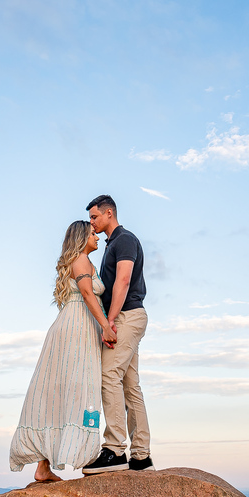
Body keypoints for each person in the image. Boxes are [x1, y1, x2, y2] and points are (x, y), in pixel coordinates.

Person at [9, 220, 116, 482]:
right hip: (76, 329)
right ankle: (85, 458)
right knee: (81, 388)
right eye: (92, 233)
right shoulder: (81, 260)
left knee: (58, 392)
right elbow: (89, 295)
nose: (97, 237)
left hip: (75, 327)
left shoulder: (83, 261)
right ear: (81, 237)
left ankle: (44, 467)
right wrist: (106, 327)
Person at [82, 194, 153, 474]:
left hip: (126, 316)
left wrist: (109, 322)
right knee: (130, 386)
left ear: (109, 213)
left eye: (94, 217)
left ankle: (114, 450)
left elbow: (123, 279)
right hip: (130, 316)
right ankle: (141, 456)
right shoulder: (114, 243)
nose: (92, 223)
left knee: (109, 375)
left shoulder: (123, 239)